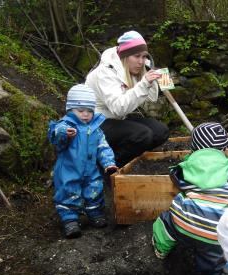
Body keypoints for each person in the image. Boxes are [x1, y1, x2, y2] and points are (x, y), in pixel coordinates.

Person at [152, 122, 228, 275]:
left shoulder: (187, 166)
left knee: (169, 219)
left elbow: (175, 177)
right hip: (218, 231)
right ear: (224, 149)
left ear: (194, 147)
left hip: (186, 223)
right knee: (213, 268)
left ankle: (161, 246)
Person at [86, 30, 169, 167]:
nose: (141, 62)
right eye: (137, 56)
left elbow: (151, 99)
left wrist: (152, 79)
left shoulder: (131, 69)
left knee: (160, 131)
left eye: (144, 57)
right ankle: (108, 166)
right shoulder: (105, 73)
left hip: (118, 119)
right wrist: (143, 84)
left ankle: (131, 160)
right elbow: (119, 108)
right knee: (142, 135)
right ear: (125, 56)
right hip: (96, 124)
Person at [48, 84, 118, 238]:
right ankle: (70, 220)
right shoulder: (65, 125)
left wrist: (108, 163)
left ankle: (95, 213)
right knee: (68, 192)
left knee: (94, 189)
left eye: (90, 111)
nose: (85, 114)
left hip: (90, 169)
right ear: (70, 110)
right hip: (69, 170)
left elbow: (103, 147)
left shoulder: (96, 129)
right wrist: (64, 134)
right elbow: (55, 136)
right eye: (80, 111)